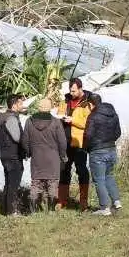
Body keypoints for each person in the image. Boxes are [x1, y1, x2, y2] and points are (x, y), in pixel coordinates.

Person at [23, 97, 66, 213]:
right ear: (50, 108)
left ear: (38, 107)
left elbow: (25, 141)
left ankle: (32, 210)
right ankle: (51, 209)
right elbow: (62, 142)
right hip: (53, 157)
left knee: (36, 183)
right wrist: (63, 155)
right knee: (52, 183)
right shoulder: (56, 122)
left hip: (37, 157)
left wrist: (28, 153)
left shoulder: (29, 121)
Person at [83, 93, 123, 216]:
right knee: (109, 176)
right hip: (111, 149)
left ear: (91, 104)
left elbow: (88, 136)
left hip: (97, 151)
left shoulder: (93, 116)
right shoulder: (112, 113)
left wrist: (86, 147)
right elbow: (118, 133)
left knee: (99, 179)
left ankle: (104, 208)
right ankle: (116, 202)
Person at [55, 79, 92, 211]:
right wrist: (60, 116)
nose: (71, 93)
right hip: (65, 142)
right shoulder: (65, 101)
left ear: (81, 88)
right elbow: (59, 113)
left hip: (79, 142)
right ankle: (62, 200)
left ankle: (83, 201)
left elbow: (89, 123)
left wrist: (73, 120)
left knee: (81, 170)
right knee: (63, 170)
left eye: (74, 90)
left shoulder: (88, 103)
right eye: (70, 90)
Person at [0, 93, 28, 216]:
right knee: (14, 184)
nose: (22, 105)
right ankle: (12, 211)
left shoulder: (4, 117)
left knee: (9, 183)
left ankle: (6, 209)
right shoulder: (11, 119)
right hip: (13, 155)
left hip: (5, 154)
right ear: (14, 105)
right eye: (20, 103)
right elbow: (17, 137)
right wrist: (26, 145)